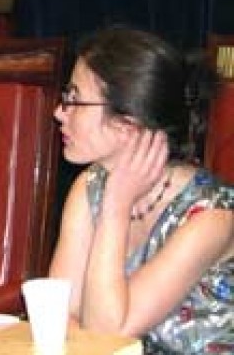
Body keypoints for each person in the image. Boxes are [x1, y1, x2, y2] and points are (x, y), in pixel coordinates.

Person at [49, 26, 234, 353]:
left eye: (75, 99)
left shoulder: (209, 218)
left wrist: (116, 208)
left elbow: (109, 332)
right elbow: (58, 313)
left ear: (128, 123)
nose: (59, 112)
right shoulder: (89, 186)